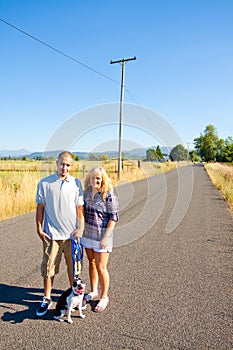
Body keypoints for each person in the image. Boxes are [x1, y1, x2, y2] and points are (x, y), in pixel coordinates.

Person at [35, 151, 84, 316]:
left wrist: (80, 229)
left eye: (68, 165)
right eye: (62, 164)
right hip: (52, 236)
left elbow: (79, 209)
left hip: (71, 236)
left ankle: (75, 296)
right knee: (49, 269)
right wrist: (39, 228)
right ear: (57, 162)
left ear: (72, 166)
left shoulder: (76, 184)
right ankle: (47, 298)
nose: (64, 167)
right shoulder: (45, 183)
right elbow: (40, 208)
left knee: (74, 270)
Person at [80, 166, 118, 312]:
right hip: (88, 235)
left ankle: (104, 297)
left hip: (102, 237)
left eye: (98, 178)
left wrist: (105, 238)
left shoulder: (109, 196)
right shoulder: (86, 193)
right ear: (89, 178)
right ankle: (93, 290)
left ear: (103, 180)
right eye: (93, 177)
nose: (95, 180)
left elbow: (113, 218)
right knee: (92, 262)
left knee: (101, 267)